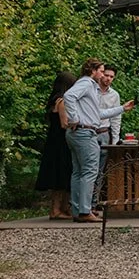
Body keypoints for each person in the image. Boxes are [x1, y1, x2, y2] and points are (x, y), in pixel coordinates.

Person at [63, 60, 133, 223]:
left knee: (78, 172)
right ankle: (85, 210)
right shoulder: (86, 83)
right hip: (85, 132)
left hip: (78, 132)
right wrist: (74, 118)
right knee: (90, 171)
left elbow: (97, 113)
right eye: (101, 71)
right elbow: (68, 96)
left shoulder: (88, 87)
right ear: (93, 71)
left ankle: (77, 209)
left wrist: (122, 108)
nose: (103, 75)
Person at [36, 72, 75, 219]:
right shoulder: (61, 101)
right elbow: (64, 123)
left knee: (63, 175)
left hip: (54, 141)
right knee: (61, 175)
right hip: (61, 142)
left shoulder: (54, 101)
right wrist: (77, 124)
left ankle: (63, 207)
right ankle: (56, 210)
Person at [97, 64, 123, 147]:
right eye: (106, 75)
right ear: (101, 74)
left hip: (104, 132)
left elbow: (116, 118)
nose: (108, 79)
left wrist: (115, 140)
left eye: (111, 77)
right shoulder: (91, 90)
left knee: (104, 157)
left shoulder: (114, 95)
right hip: (89, 131)